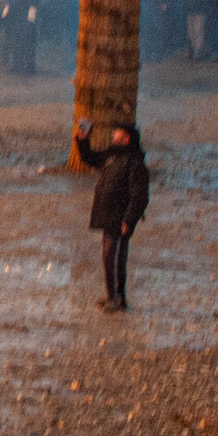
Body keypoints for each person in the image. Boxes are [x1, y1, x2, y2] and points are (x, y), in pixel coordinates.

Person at [81, 121, 149, 313]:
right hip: (107, 216)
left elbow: (140, 196)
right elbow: (89, 158)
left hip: (120, 219)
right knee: (107, 257)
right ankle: (112, 295)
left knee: (116, 257)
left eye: (116, 134)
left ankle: (118, 297)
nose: (113, 136)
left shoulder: (135, 163)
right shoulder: (111, 156)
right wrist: (83, 138)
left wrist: (129, 219)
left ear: (126, 139)